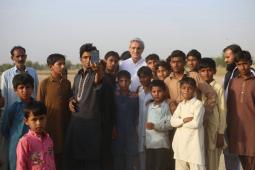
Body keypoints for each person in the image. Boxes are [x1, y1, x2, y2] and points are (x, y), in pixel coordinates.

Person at [64, 43, 104, 170]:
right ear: (81, 59)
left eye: (91, 57)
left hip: (91, 125)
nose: (88, 60)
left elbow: (98, 80)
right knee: (76, 159)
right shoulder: (77, 75)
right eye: (85, 57)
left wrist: (98, 69)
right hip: (76, 123)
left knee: (91, 160)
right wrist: (70, 101)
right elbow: (74, 93)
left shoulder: (97, 74)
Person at [36, 53, 72, 169]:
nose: (63, 66)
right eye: (59, 64)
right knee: (49, 158)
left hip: (64, 127)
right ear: (51, 66)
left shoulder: (67, 83)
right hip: (49, 128)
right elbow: (39, 108)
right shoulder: (44, 84)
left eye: (63, 64)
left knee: (63, 158)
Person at [226, 51, 255, 170]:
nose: (242, 67)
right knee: (243, 161)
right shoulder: (233, 82)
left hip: (252, 129)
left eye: (245, 64)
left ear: (250, 63)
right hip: (237, 129)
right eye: (239, 64)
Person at [170, 77, 205, 170]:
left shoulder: (198, 104)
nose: (186, 90)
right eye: (184, 88)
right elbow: (172, 122)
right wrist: (183, 120)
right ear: (180, 89)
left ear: (194, 90)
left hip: (194, 148)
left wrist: (180, 124)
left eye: (189, 88)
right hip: (180, 147)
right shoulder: (181, 105)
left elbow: (196, 124)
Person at [1, 73, 34, 170]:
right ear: (15, 90)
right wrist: (16, 138)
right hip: (16, 147)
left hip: (34, 146)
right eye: (21, 88)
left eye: (28, 87)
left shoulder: (37, 107)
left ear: (32, 88)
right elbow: (5, 129)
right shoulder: (12, 108)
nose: (25, 90)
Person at [198, 58, 226, 170]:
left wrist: (221, 133)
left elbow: (223, 110)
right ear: (199, 72)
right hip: (201, 127)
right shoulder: (198, 86)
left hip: (214, 129)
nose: (206, 73)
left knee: (212, 162)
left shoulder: (217, 87)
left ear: (214, 71)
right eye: (203, 70)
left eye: (209, 70)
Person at [16, 101, 56, 170]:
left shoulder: (49, 140)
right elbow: (21, 164)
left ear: (46, 118)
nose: (39, 123)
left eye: (41, 118)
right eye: (34, 119)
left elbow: (52, 161)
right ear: (26, 121)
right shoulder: (25, 141)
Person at [112, 70, 139, 170]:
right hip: (117, 131)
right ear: (118, 82)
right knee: (117, 157)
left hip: (131, 132)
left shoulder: (135, 96)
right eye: (121, 81)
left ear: (130, 81)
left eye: (126, 81)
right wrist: (113, 127)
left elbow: (137, 115)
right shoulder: (114, 95)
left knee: (130, 158)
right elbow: (111, 114)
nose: (124, 83)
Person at [222, 44, 242, 170]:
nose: (225, 60)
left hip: (242, 122)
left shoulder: (248, 74)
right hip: (229, 121)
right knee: (229, 154)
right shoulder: (229, 74)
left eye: (228, 57)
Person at [1, 46, 38, 110]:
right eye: (17, 56)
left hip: (30, 111)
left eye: (23, 56)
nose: (21, 59)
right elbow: (4, 96)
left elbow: (36, 92)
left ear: (26, 57)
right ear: (12, 58)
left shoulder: (33, 72)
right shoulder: (6, 74)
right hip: (13, 112)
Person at [145, 79, 172, 170]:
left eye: (159, 91)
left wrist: (155, 126)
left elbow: (170, 124)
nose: (156, 94)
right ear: (151, 92)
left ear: (164, 92)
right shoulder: (149, 106)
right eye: (154, 91)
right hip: (150, 144)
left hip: (161, 145)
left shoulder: (166, 106)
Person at [137, 66, 153, 170]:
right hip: (139, 127)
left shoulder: (155, 91)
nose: (143, 79)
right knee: (141, 153)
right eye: (141, 77)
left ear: (151, 77)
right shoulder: (138, 91)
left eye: (145, 77)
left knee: (151, 154)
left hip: (152, 128)